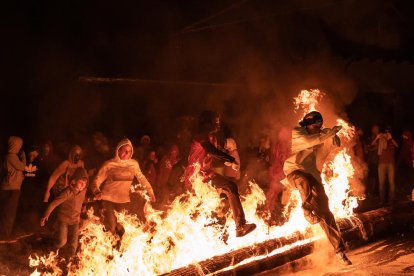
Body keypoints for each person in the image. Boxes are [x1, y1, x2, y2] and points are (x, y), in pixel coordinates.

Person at [282, 111, 352, 265]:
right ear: (307, 124)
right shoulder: (298, 132)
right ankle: (306, 210)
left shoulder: (321, 134)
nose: (318, 129)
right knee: (303, 180)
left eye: (320, 126)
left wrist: (331, 134)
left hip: (313, 175)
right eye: (315, 126)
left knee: (325, 214)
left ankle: (340, 251)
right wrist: (327, 134)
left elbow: (336, 143)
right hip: (294, 170)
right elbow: (309, 142)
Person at [184, 110, 256, 238]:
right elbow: (211, 151)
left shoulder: (213, 138)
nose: (218, 124)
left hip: (207, 175)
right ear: (207, 123)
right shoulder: (200, 136)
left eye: (218, 121)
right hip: (195, 178)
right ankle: (186, 235)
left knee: (231, 187)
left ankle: (240, 226)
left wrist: (228, 158)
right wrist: (229, 159)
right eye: (215, 121)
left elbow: (218, 152)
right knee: (197, 207)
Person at [91, 138, 155, 236]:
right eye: (125, 151)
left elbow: (142, 178)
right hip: (108, 200)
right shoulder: (109, 164)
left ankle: (120, 248)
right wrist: (96, 191)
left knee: (122, 228)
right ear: (118, 150)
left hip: (123, 200)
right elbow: (96, 180)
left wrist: (150, 192)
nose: (127, 153)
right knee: (111, 227)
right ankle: (108, 248)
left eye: (129, 151)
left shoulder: (133, 164)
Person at [40, 167, 88, 259]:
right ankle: (50, 252)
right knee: (62, 241)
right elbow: (53, 204)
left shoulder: (83, 192)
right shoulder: (67, 193)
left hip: (75, 220)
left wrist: (84, 206)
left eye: (84, 183)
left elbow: (83, 200)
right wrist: (45, 216)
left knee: (74, 243)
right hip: (64, 219)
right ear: (74, 181)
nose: (83, 185)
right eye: (81, 182)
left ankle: (70, 260)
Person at [0, 136, 27, 241]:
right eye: (19, 145)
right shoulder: (11, 157)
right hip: (10, 189)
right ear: (15, 145)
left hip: (11, 188)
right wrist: (24, 157)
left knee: (8, 212)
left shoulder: (11, 157)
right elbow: (22, 167)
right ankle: (4, 235)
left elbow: (17, 171)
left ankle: (5, 234)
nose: (20, 147)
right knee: (8, 213)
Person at [371, 126, 398, 205]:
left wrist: (391, 138)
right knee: (381, 183)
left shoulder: (391, 142)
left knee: (391, 183)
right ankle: (382, 200)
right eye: (385, 133)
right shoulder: (380, 142)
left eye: (387, 132)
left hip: (391, 165)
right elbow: (372, 144)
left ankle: (391, 200)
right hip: (381, 165)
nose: (385, 134)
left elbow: (397, 145)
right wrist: (377, 137)